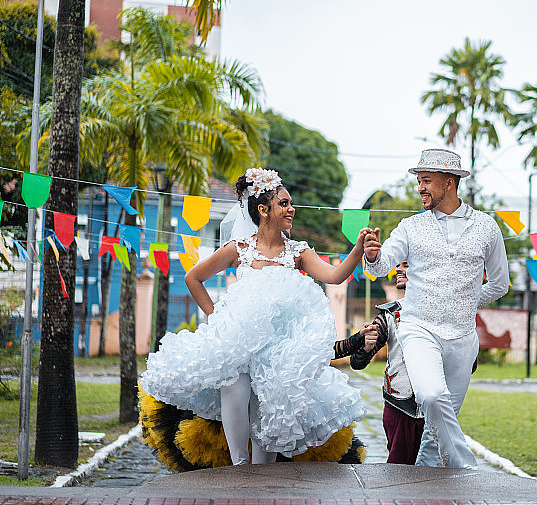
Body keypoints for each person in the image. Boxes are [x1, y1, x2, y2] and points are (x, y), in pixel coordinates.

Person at [140, 168, 369, 465]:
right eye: (284, 204)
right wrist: (216, 316)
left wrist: (358, 249)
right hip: (239, 341)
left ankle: (264, 473)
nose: (291, 209)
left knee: (269, 404)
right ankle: (239, 466)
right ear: (264, 210)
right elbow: (193, 278)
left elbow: (335, 276)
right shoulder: (239, 249)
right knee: (234, 382)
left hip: (279, 350)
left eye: (290, 203)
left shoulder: (297, 252)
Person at [363, 149, 509, 468]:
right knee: (430, 396)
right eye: (419, 181)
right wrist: (372, 256)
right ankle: (467, 469)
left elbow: (500, 284)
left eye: (426, 181)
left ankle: (425, 486)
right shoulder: (410, 227)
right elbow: (380, 266)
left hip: (462, 338)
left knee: (436, 428)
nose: (420, 188)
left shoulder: (487, 228)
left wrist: (466, 301)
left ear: (449, 182)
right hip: (418, 329)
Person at [350, 261, 425, 464]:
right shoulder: (390, 314)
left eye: (407, 264)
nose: (399, 269)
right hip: (400, 407)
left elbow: (469, 366)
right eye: (398, 265)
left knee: (440, 477)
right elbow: (357, 363)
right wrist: (366, 347)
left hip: (438, 409)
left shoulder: (447, 314)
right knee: (399, 472)